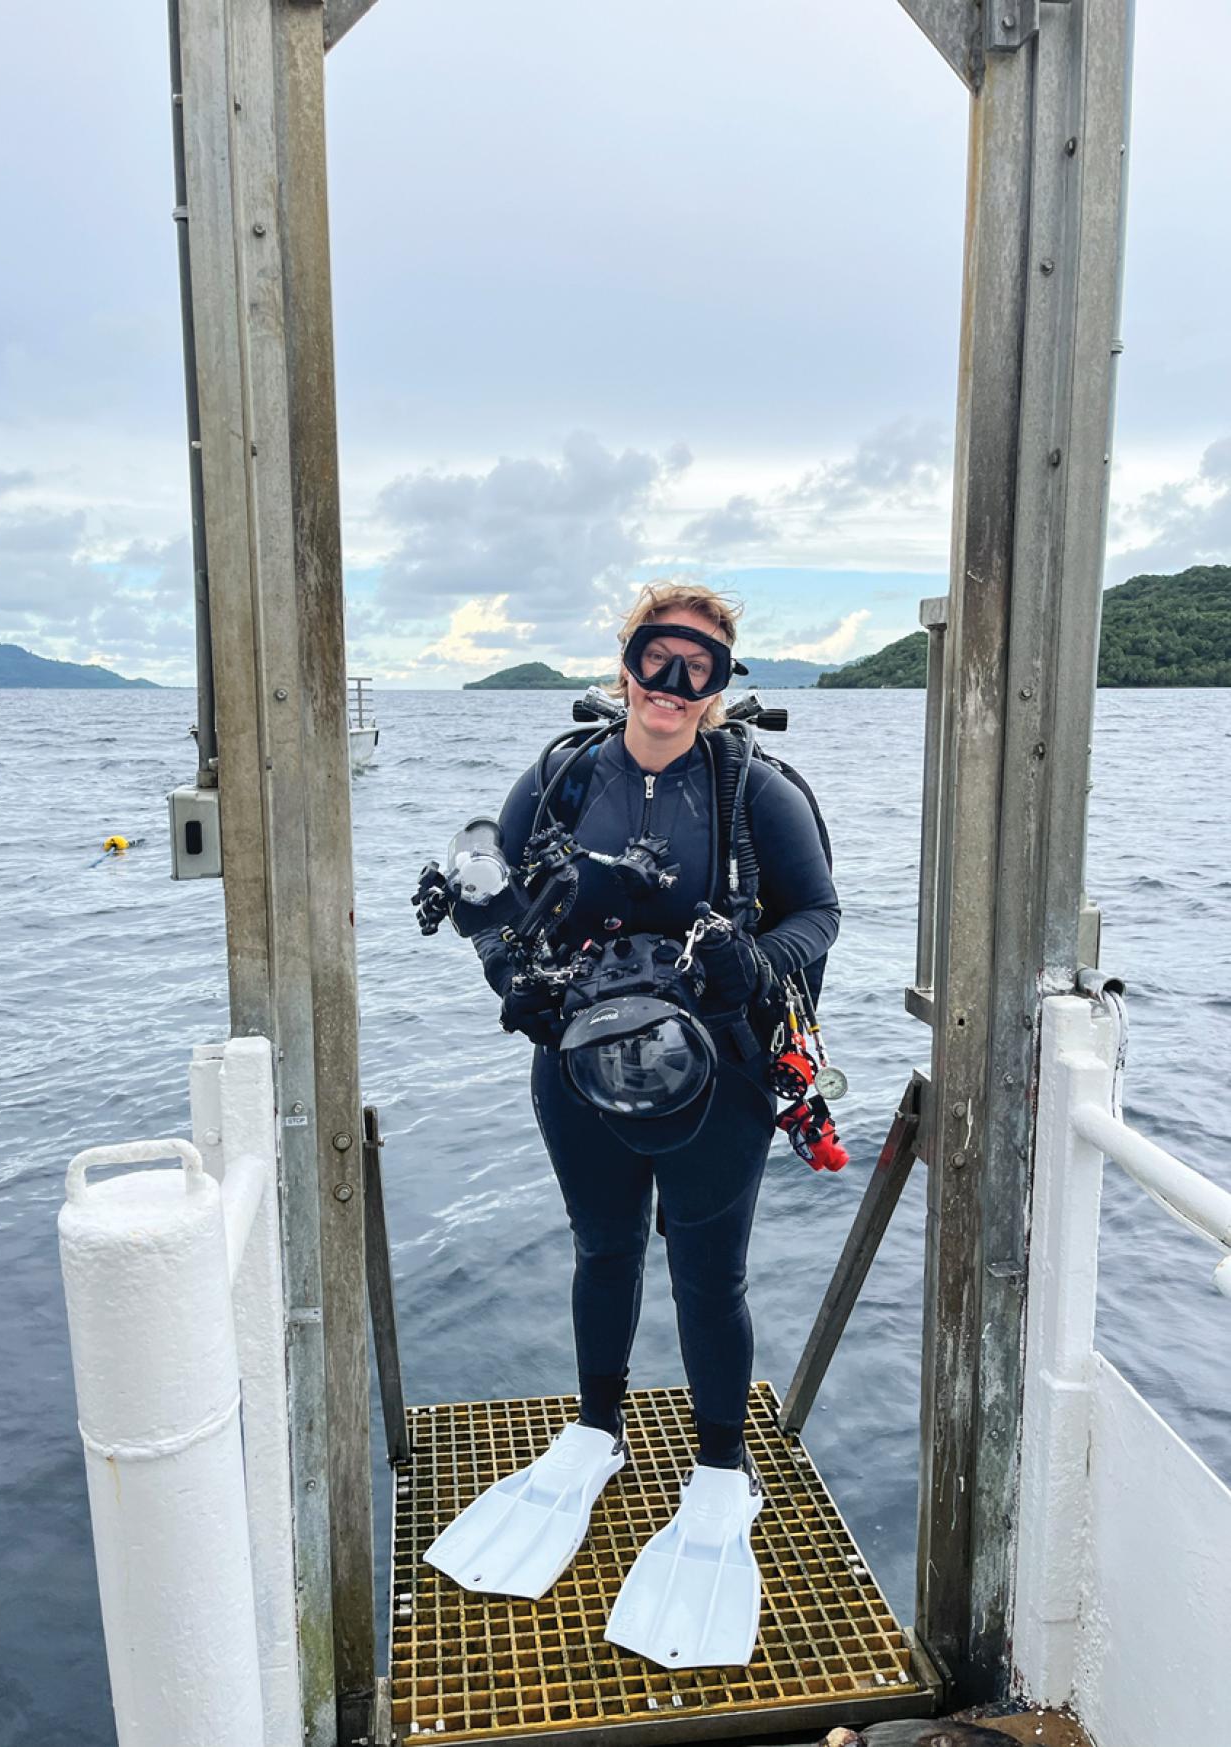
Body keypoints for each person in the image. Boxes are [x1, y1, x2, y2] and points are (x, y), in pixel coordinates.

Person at [424, 582, 841, 1669]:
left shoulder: (753, 789)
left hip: (722, 1078)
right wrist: (503, 970)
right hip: (579, 1071)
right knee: (601, 1249)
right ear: (622, 667)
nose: (671, 687)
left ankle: (716, 1472)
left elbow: (818, 913)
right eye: (655, 661)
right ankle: (596, 1432)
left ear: (719, 684)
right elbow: (486, 894)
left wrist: (757, 961)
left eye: (697, 668)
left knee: (709, 1274)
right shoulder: (563, 777)